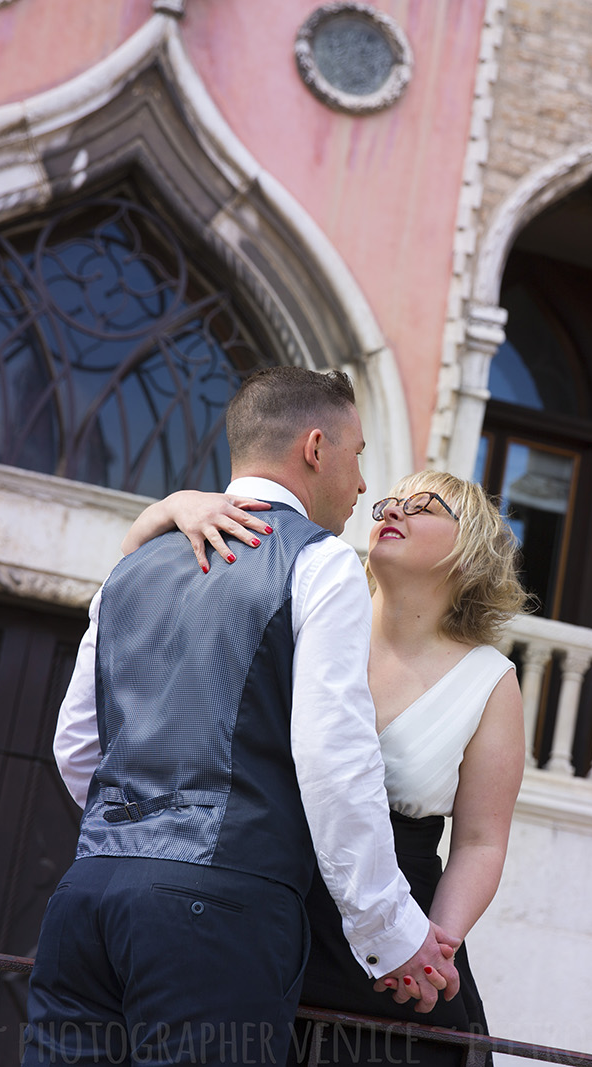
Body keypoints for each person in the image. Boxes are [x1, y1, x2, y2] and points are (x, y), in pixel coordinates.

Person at [30, 367, 458, 1067]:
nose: (359, 485)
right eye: (356, 455)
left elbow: (75, 746)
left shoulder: (130, 567)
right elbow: (333, 757)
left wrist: (134, 835)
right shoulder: (321, 563)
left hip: (88, 893)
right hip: (218, 909)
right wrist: (389, 929)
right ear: (315, 447)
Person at [122, 469, 528, 1065]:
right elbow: (140, 583)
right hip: (263, 904)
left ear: (471, 550)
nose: (393, 510)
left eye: (425, 506)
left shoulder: (491, 680)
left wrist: (432, 944)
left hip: (394, 942)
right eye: (391, 501)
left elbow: (481, 842)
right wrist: (177, 504)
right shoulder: (314, 608)